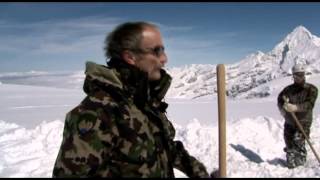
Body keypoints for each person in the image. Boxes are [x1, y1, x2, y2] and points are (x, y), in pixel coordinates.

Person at [52, 21, 210, 178]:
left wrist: (200, 174)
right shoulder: (98, 111)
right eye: (157, 51)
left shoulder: (145, 102)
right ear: (130, 57)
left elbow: (166, 147)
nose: (164, 58)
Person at [277, 63, 318, 169]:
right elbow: (280, 99)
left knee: (298, 141)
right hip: (290, 121)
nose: (298, 77)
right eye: (296, 75)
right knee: (289, 142)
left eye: (300, 75)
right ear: (293, 76)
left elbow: (310, 104)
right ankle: (290, 165)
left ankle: (300, 167)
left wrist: (295, 107)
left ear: (304, 75)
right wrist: (283, 109)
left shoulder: (311, 89)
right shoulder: (288, 90)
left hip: (303, 121)